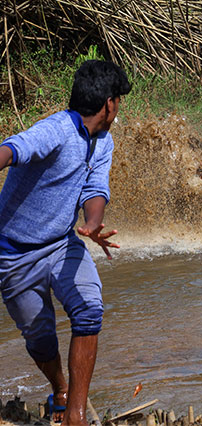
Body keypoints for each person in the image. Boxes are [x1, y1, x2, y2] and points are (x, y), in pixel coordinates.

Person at [0, 59, 130, 425]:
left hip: (62, 244)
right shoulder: (56, 130)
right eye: (119, 100)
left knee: (89, 310)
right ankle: (59, 387)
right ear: (109, 103)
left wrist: (91, 225)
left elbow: (95, 188)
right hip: (13, 254)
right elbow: (13, 149)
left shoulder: (103, 142)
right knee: (39, 340)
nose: (119, 108)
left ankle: (76, 413)